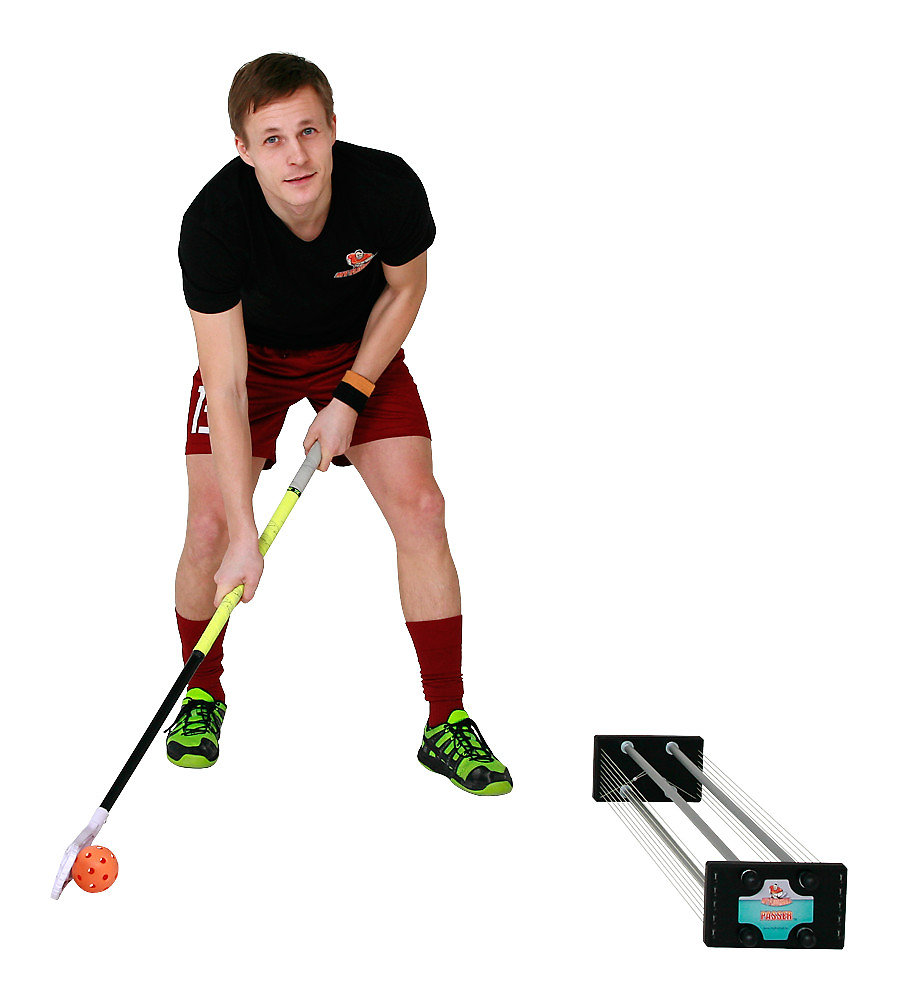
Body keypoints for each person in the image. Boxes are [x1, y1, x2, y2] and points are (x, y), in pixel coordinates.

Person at [167, 52, 512, 796]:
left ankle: (446, 719)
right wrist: (244, 532)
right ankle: (201, 694)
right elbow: (223, 383)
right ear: (243, 148)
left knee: (423, 507)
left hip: (355, 353)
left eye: (308, 131)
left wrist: (350, 396)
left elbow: (406, 288)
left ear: (332, 127)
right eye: (272, 139)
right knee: (209, 528)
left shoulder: (385, 186)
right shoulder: (213, 224)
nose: (295, 155)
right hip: (252, 361)